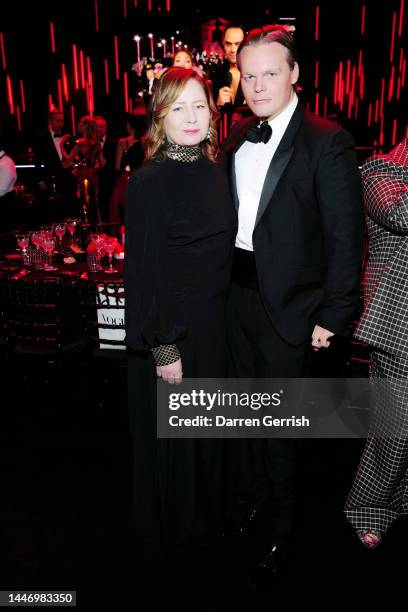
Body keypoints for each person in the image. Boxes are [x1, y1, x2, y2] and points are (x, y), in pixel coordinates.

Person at [223, 25, 364, 586]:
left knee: (278, 427)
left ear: (295, 75)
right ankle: (256, 501)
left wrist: (335, 313)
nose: (258, 85)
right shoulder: (235, 133)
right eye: (249, 74)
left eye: (270, 73)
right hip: (235, 298)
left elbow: (345, 236)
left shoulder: (327, 139)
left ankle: (284, 531)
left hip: (293, 311)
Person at [125, 67, 236, 555]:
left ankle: (210, 518)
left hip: (215, 324)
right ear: (159, 118)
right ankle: (183, 535)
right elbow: (146, 271)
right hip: (175, 329)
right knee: (183, 437)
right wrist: (163, 344)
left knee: (209, 432)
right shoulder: (149, 181)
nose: (190, 117)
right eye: (177, 108)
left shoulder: (215, 168)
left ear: (212, 113)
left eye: (198, 106)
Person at [344, 138, 408, 548]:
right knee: (395, 425)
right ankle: (367, 507)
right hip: (398, 324)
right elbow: (399, 214)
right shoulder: (380, 171)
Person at [60, 115, 105, 224]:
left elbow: (68, 160)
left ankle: (85, 229)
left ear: (86, 127)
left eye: (81, 123)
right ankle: (95, 229)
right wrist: (91, 166)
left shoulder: (80, 143)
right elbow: (103, 163)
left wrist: (61, 144)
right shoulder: (97, 143)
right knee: (93, 204)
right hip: (93, 177)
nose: (78, 124)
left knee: (84, 205)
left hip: (82, 177)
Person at [110, 112, 145, 223]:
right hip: (142, 179)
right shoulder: (145, 142)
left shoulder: (123, 142)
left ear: (128, 125)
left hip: (127, 179)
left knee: (124, 212)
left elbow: (117, 166)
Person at [95, 115, 117, 222]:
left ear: (106, 128)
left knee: (107, 213)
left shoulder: (113, 143)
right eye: (97, 127)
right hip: (93, 183)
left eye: (102, 127)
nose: (99, 129)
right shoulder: (88, 143)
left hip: (108, 183)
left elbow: (113, 165)